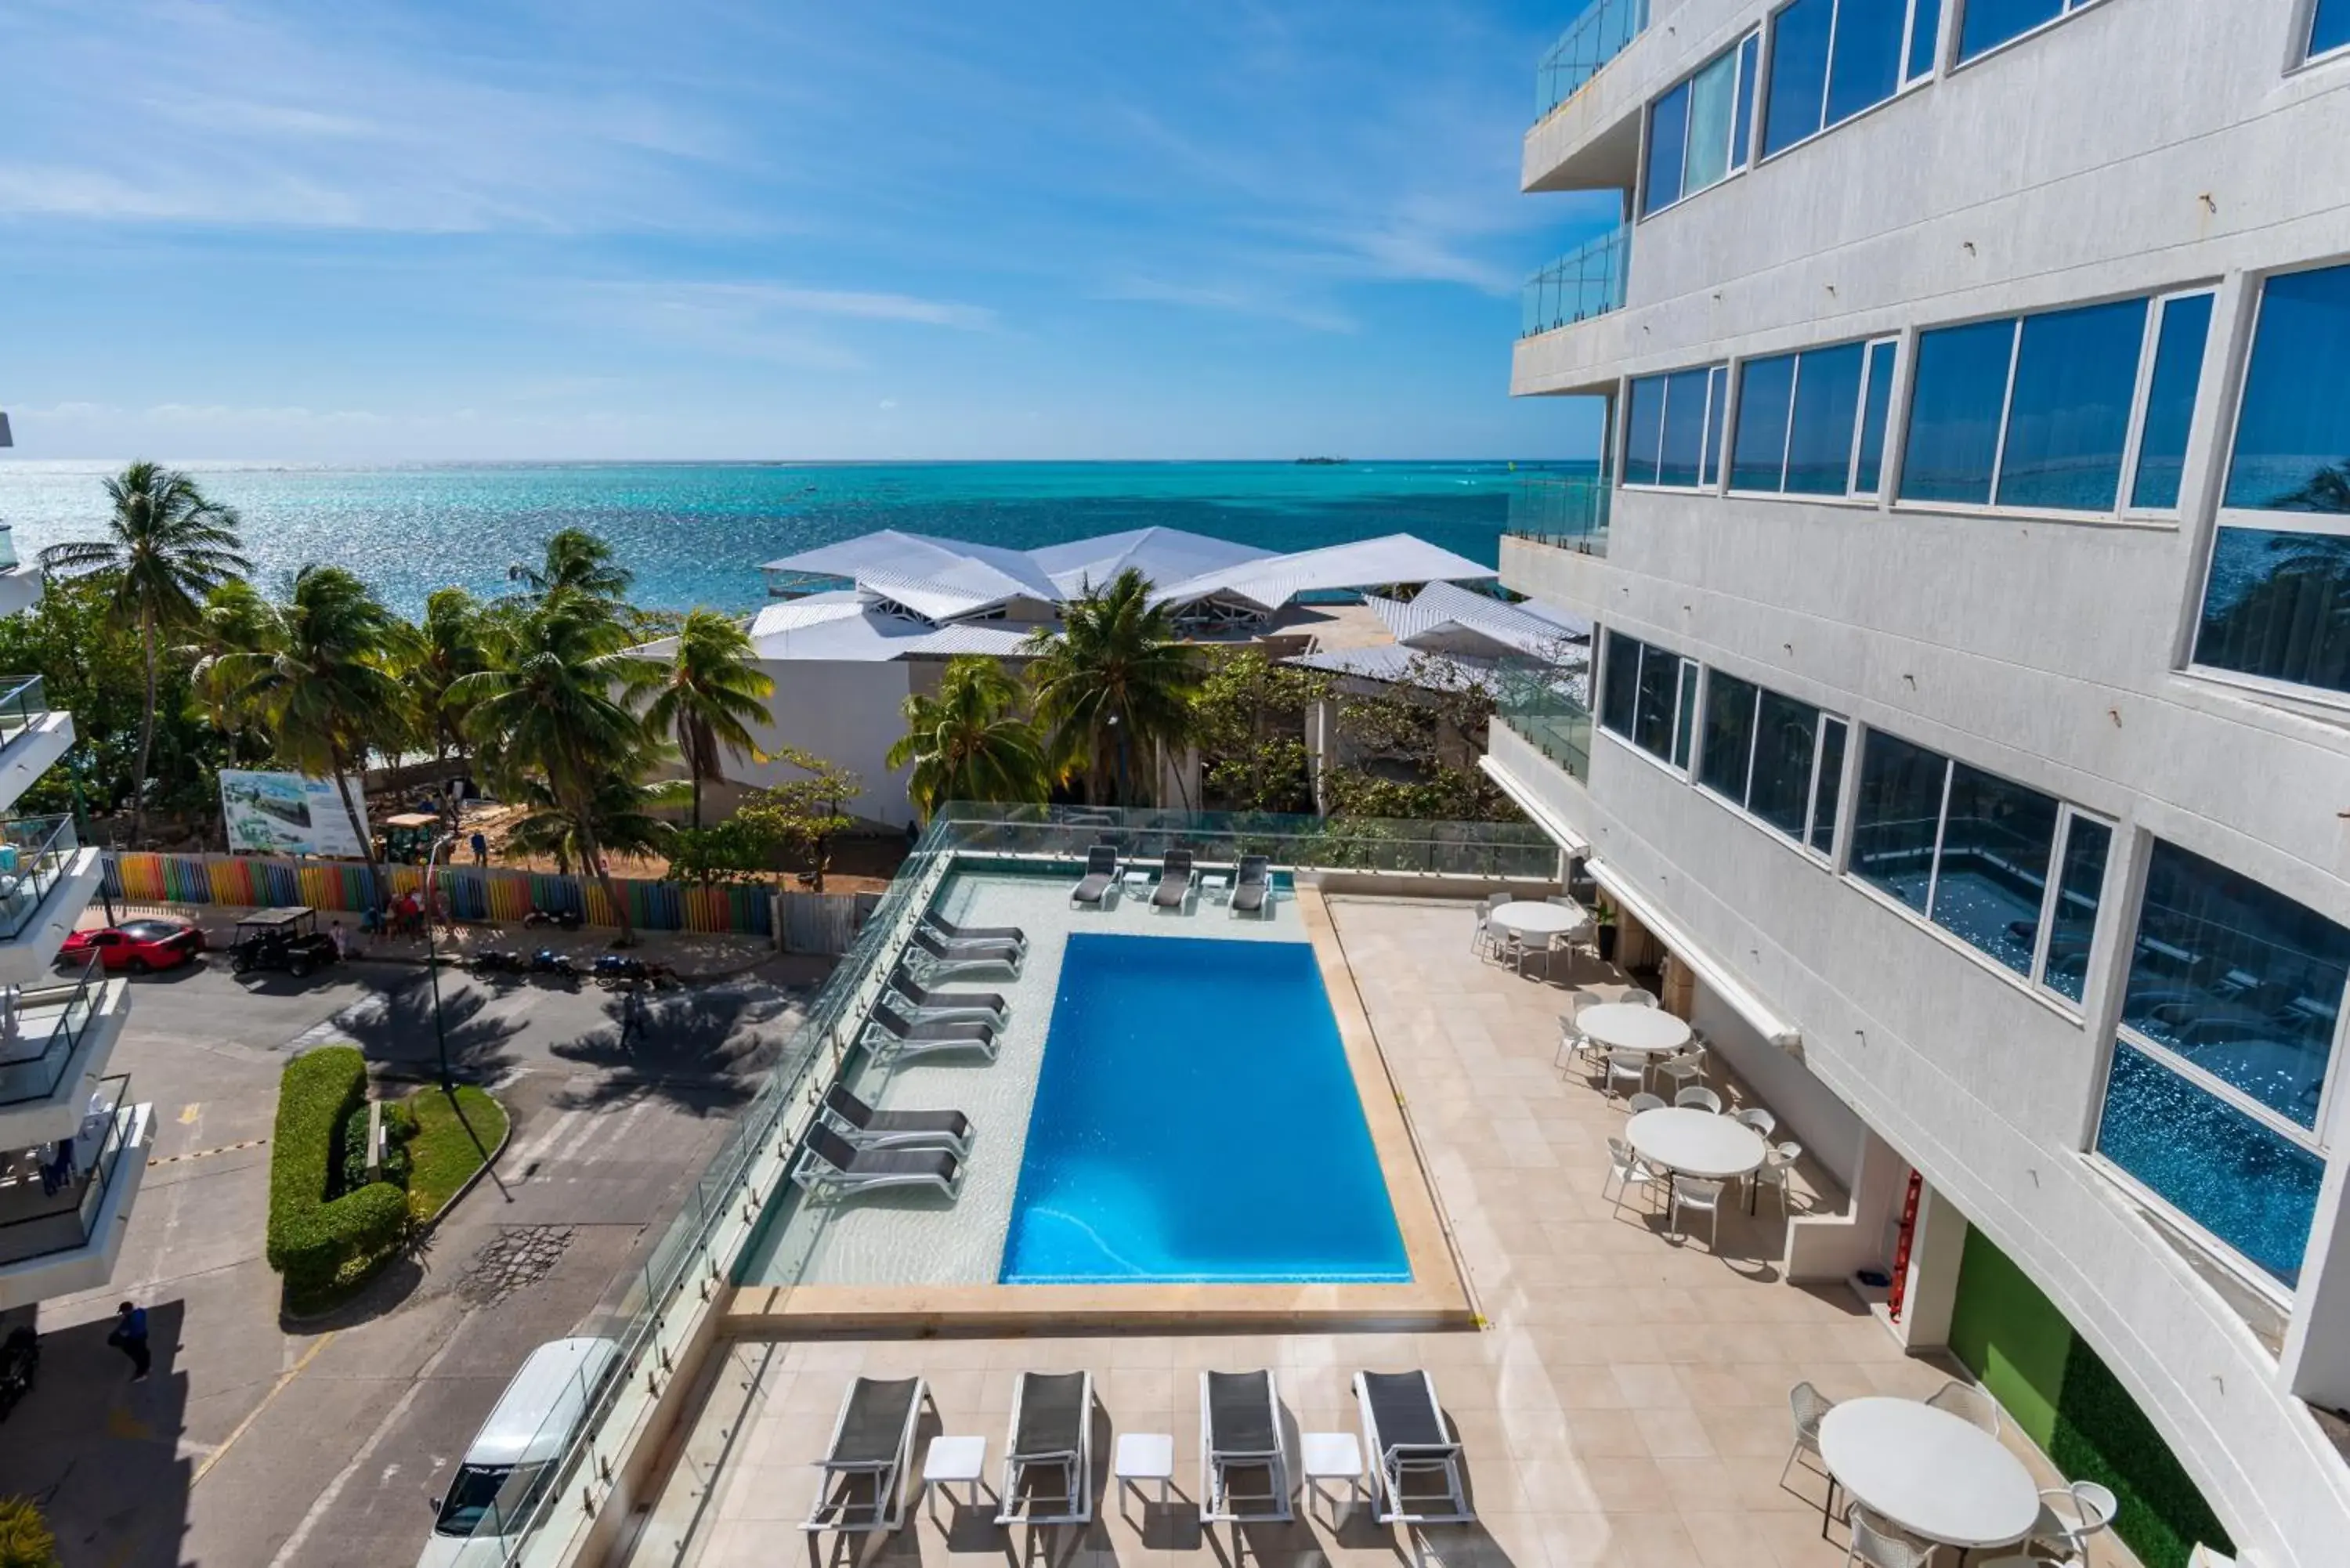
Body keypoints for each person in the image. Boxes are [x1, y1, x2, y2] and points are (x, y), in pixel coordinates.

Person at [107, 1301, 150, 1382]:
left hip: (135, 1339)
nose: (123, 1314)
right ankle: (147, 1366)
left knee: (137, 1356)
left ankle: (142, 1373)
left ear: (127, 1311)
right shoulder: (141, 1312)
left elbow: (124, 1333)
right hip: (143, 1335)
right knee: (144, 1352)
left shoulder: (129, 1322)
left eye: (124, 1312)